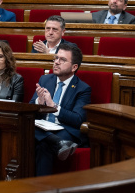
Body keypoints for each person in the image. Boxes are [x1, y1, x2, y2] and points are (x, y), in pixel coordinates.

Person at [31, 44, 91, 176]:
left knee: (42, 145)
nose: (56, 62)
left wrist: (54, 106)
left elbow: (78, 119)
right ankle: (58, 143)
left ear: (74, 67)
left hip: (64, 129)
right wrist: (39, 103)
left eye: (62, 60)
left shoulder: (82, 88)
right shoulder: (45, 79)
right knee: (23, 127)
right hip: (42, 127)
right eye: (56, 58)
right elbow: (30, 108)